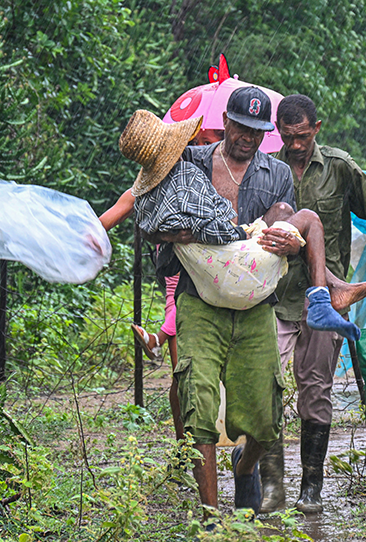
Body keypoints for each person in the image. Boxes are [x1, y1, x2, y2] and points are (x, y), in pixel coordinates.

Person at [129, 87, 366, 517]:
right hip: (200, 301)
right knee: (199, 403)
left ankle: (245, 470)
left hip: (255, 301)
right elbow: (148, 221)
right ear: (226, 120)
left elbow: (290, 243)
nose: (249, 137)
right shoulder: (190, 163)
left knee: (266, 413)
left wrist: (289, 244)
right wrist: (174, 234)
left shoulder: (276, 174)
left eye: (259, 131)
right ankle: (210, 517)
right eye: (242, 127)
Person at [265, 94, 366, 514]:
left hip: (325, 300)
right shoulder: (267, 170)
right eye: (287, 137)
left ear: (317, 128)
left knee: (315, 391)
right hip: (272, 298)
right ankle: (272, 485)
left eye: (302, 136)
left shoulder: (340, 168)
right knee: (265, 389)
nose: (295, 145)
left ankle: (311, 485)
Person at [100, 127, 224, 442]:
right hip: (182, 283)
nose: (200, 148)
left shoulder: (204, 178)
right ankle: (187, 449)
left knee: (195, 374)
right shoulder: (153, 189)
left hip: (217, 280)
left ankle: (194, 446)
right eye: (198, 143)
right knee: (183, 375)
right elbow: (107, 219)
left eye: (206, 143)